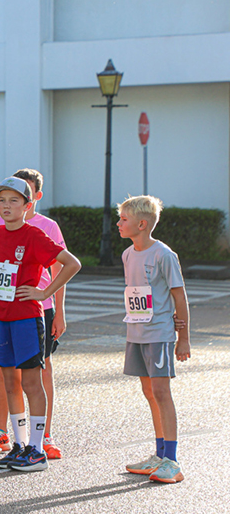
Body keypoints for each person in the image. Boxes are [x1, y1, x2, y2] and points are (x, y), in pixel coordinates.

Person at [0, 176, 81, 473]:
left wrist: (45, 292)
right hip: (1, 316)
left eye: (14, 200)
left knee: (30, 382)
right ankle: (20, 445)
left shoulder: (35, 234)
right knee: (9, 381)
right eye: (2, 200)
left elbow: (72, 263)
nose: (7, 206)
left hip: (27, 317)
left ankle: (37, 450)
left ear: (28, 204)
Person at [117, 195, 190, 484]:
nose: (119, 223)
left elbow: (179, 295)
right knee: (149, 394)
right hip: (136, 334)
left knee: (162, 393)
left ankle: (172, 461)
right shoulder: (127, 254)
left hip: (159, 335)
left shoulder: (164, 255)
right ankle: (160, 455)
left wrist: (183, 338)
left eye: (124, 219)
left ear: (142, 223)